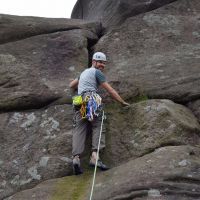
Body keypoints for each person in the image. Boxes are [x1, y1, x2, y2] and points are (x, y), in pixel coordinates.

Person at [69, 52, 130, 175]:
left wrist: (81, 85)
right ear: (94, 62)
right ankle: (94, 157)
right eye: (100, 62)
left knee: (79, 128)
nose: (102, 65)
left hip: (79, 100)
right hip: (91, 98)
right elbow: (110, 90)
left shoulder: (83, 73)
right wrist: (122, 102)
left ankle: (76, 158)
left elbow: (71, 85)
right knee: (98, 124)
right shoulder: (97, 73)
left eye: (104, 63)